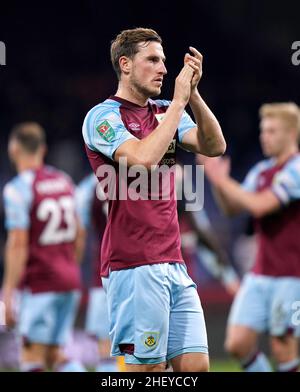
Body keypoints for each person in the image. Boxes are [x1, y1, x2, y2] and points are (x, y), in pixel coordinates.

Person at [82, 27, 226, 372]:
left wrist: (192, 95)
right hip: (133, 265)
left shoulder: (165, 110)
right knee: (146, 371)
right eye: (152, 60)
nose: (163, 68)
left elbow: (215, 146)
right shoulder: (102, 117)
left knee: (196, 368)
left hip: (173, 261)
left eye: (163, 60)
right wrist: (178, 103)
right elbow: (142, 159)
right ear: (126, 64)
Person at [203, 102, 300, 372]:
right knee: (238, 343)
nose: (263, 136)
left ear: (291, 134)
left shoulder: (296, 170)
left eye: (271, 131)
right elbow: (232, 208)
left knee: (283, 348)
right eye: (262, 130)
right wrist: (216, 179)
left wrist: (223, 182)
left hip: (292, 276)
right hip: (260, 273)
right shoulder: (261, 171)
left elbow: (259, 205)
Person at [2, 122, 85, 372]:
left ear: (13, 149)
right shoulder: (64, 181)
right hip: (69, 280)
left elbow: (18, 243)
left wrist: (7, 291)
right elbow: (80, 233)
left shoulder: (17, 189)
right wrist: (70, 267)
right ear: (43, 149)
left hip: (39, 285)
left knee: (31, 357)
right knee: (54, 356)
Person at [76, 173, 124, 372]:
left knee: (105, 347)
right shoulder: (136, 177)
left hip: (104, 272)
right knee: (147, 345)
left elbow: (80, 231)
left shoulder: (87, 187)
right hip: (138, 268)